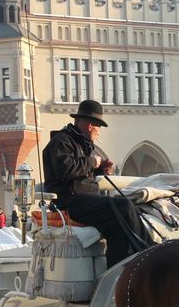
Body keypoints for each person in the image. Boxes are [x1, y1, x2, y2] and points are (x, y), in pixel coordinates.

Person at [42, 99, 151, 270]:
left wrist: (99, 170)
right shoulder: (62, 141)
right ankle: (149, 251)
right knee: (124, 205)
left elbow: (78, 174)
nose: (99, 132)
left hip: (84, 200)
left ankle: (117, 271)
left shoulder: (79, 144)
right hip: (70, 201)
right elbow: (65, 170)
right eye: (99, 127)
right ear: (91, 125)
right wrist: (93, 162)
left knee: (118, 225)